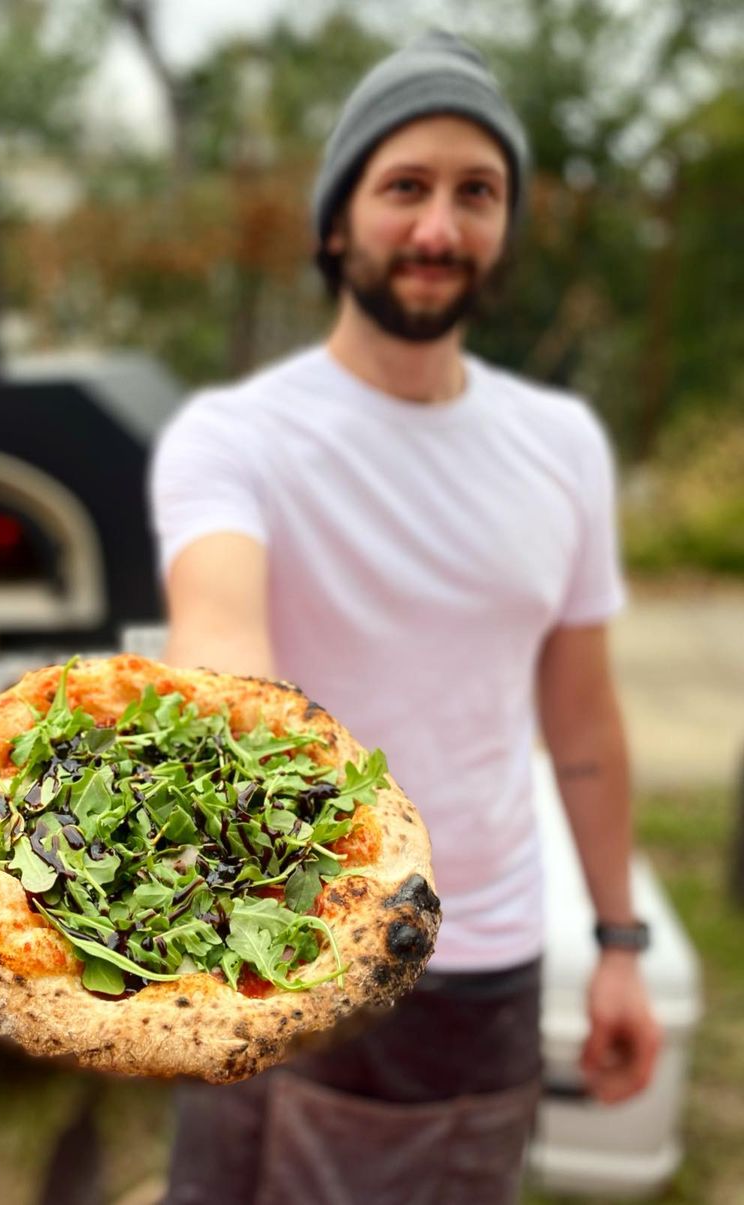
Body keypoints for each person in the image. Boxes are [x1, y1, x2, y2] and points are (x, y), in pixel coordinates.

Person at [147, 28, 662, 1205]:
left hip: (467, 958)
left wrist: (620, 942)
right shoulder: (236, 436)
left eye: (477, 192)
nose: (439, 226)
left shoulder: (561, 444)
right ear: (337, 222)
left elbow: (580, 718)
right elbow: (221, 649)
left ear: (504, 228)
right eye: (405, 187)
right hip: (253, 937)